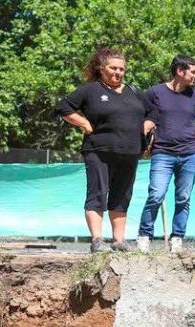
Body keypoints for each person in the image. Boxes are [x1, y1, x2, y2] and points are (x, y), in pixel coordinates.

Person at [56, 47, 154, 254]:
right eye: (113, 68)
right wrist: (83, 123)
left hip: (130, 151)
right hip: (98, 150)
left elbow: (153, 112)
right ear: (102, 68)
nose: (118, 72)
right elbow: (63, 107)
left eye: (122, 69)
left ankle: (119, 240)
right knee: (98, 193)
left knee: (121, 195)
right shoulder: (90, 90)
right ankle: (97, 240)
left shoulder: (134, 91)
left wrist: (147, 125)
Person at [137, 55, 195, 252]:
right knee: (156, 194)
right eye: (192, 72)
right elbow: (140, 114)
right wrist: (144, 134)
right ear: (179, 71)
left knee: (183, 197)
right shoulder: (154, 93)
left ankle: (177, 238)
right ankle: (144, 235)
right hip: (162, 153)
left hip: (189, 154)